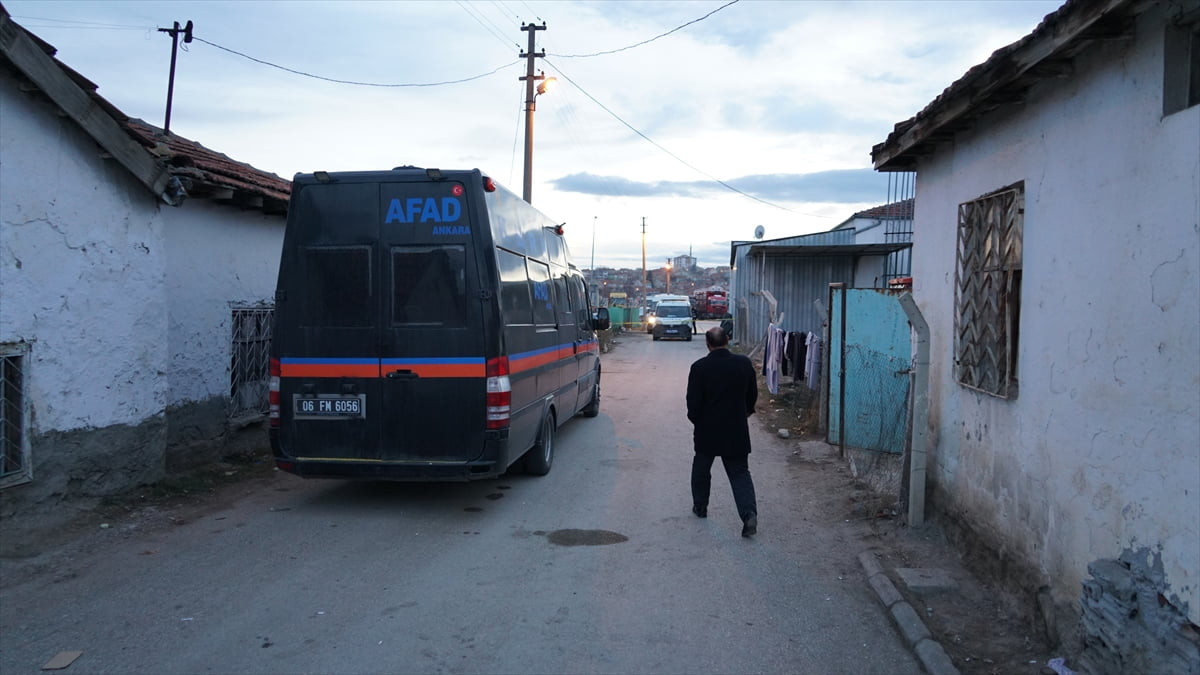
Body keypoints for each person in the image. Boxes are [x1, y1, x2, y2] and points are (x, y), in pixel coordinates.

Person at [685, 326, 759, 537]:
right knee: (739, 473)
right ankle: (749, 514)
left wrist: (696, 419)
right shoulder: (743, 364)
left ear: (708, 344)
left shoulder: (699, 367)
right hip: (736, 428)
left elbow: (693, 401)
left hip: (707, 430)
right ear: (727, 340)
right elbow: (752, 394)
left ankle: (700, 507)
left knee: (701, 468)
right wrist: (746, 412)